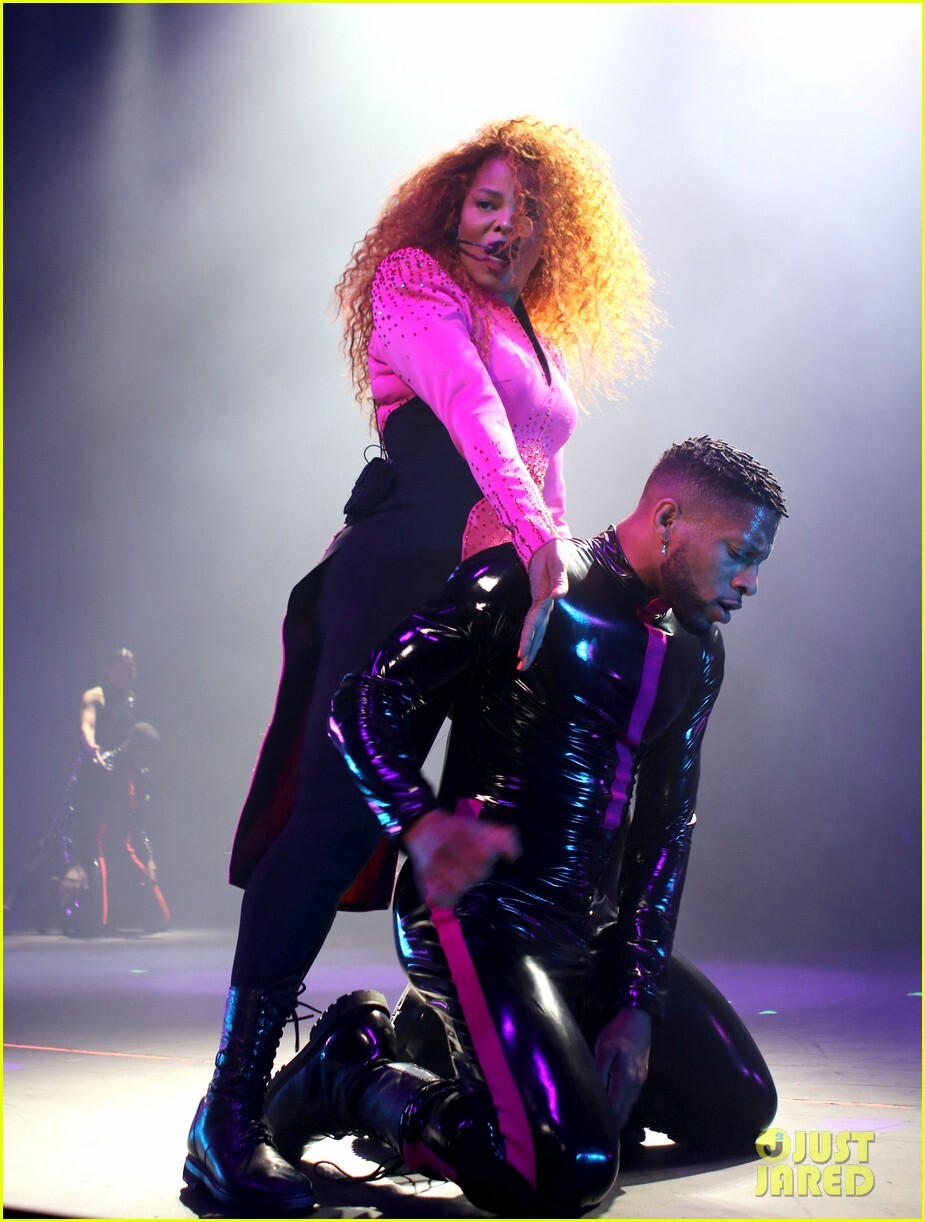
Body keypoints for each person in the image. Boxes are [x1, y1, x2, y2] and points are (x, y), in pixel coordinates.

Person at [184, 118, 659, 1211]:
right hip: (400, 576)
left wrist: (558, 582)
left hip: (487, 605)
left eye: (529, 211)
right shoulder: (412, 283)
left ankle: (435, 1071)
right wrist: (540, 545)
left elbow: (539, 462)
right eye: (489, 202)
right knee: (330, 830)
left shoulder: (530, 324)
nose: (506, 225)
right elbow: (474, 414)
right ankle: (226, 1121)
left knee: (492, 825)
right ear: (455, 207)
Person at [261, 437, 787, 1216]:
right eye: (739, 554)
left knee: (738, 1107)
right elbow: (363, 702)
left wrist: (635, 1000)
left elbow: (665, 829)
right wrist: (419, 824)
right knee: (563, 1173)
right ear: (667, 518)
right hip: (481, 918)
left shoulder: (696, 651)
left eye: (758, 563)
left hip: (588, 936)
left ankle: (449, 1043)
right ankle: (354, 1073)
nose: (749, 582)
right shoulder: (526, 579)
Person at [60, 648, 169, 935]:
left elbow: (142, 735)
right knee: (88, 835)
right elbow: (87, 725)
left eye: (131, 669)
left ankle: (133, 907)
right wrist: (93, 749)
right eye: (122, 668)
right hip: (98, 767)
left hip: (124, 770)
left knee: (125, 836)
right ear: (109, 669)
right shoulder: (95, 696)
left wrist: (150, 859)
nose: (127, 674)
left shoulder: (134, 701)